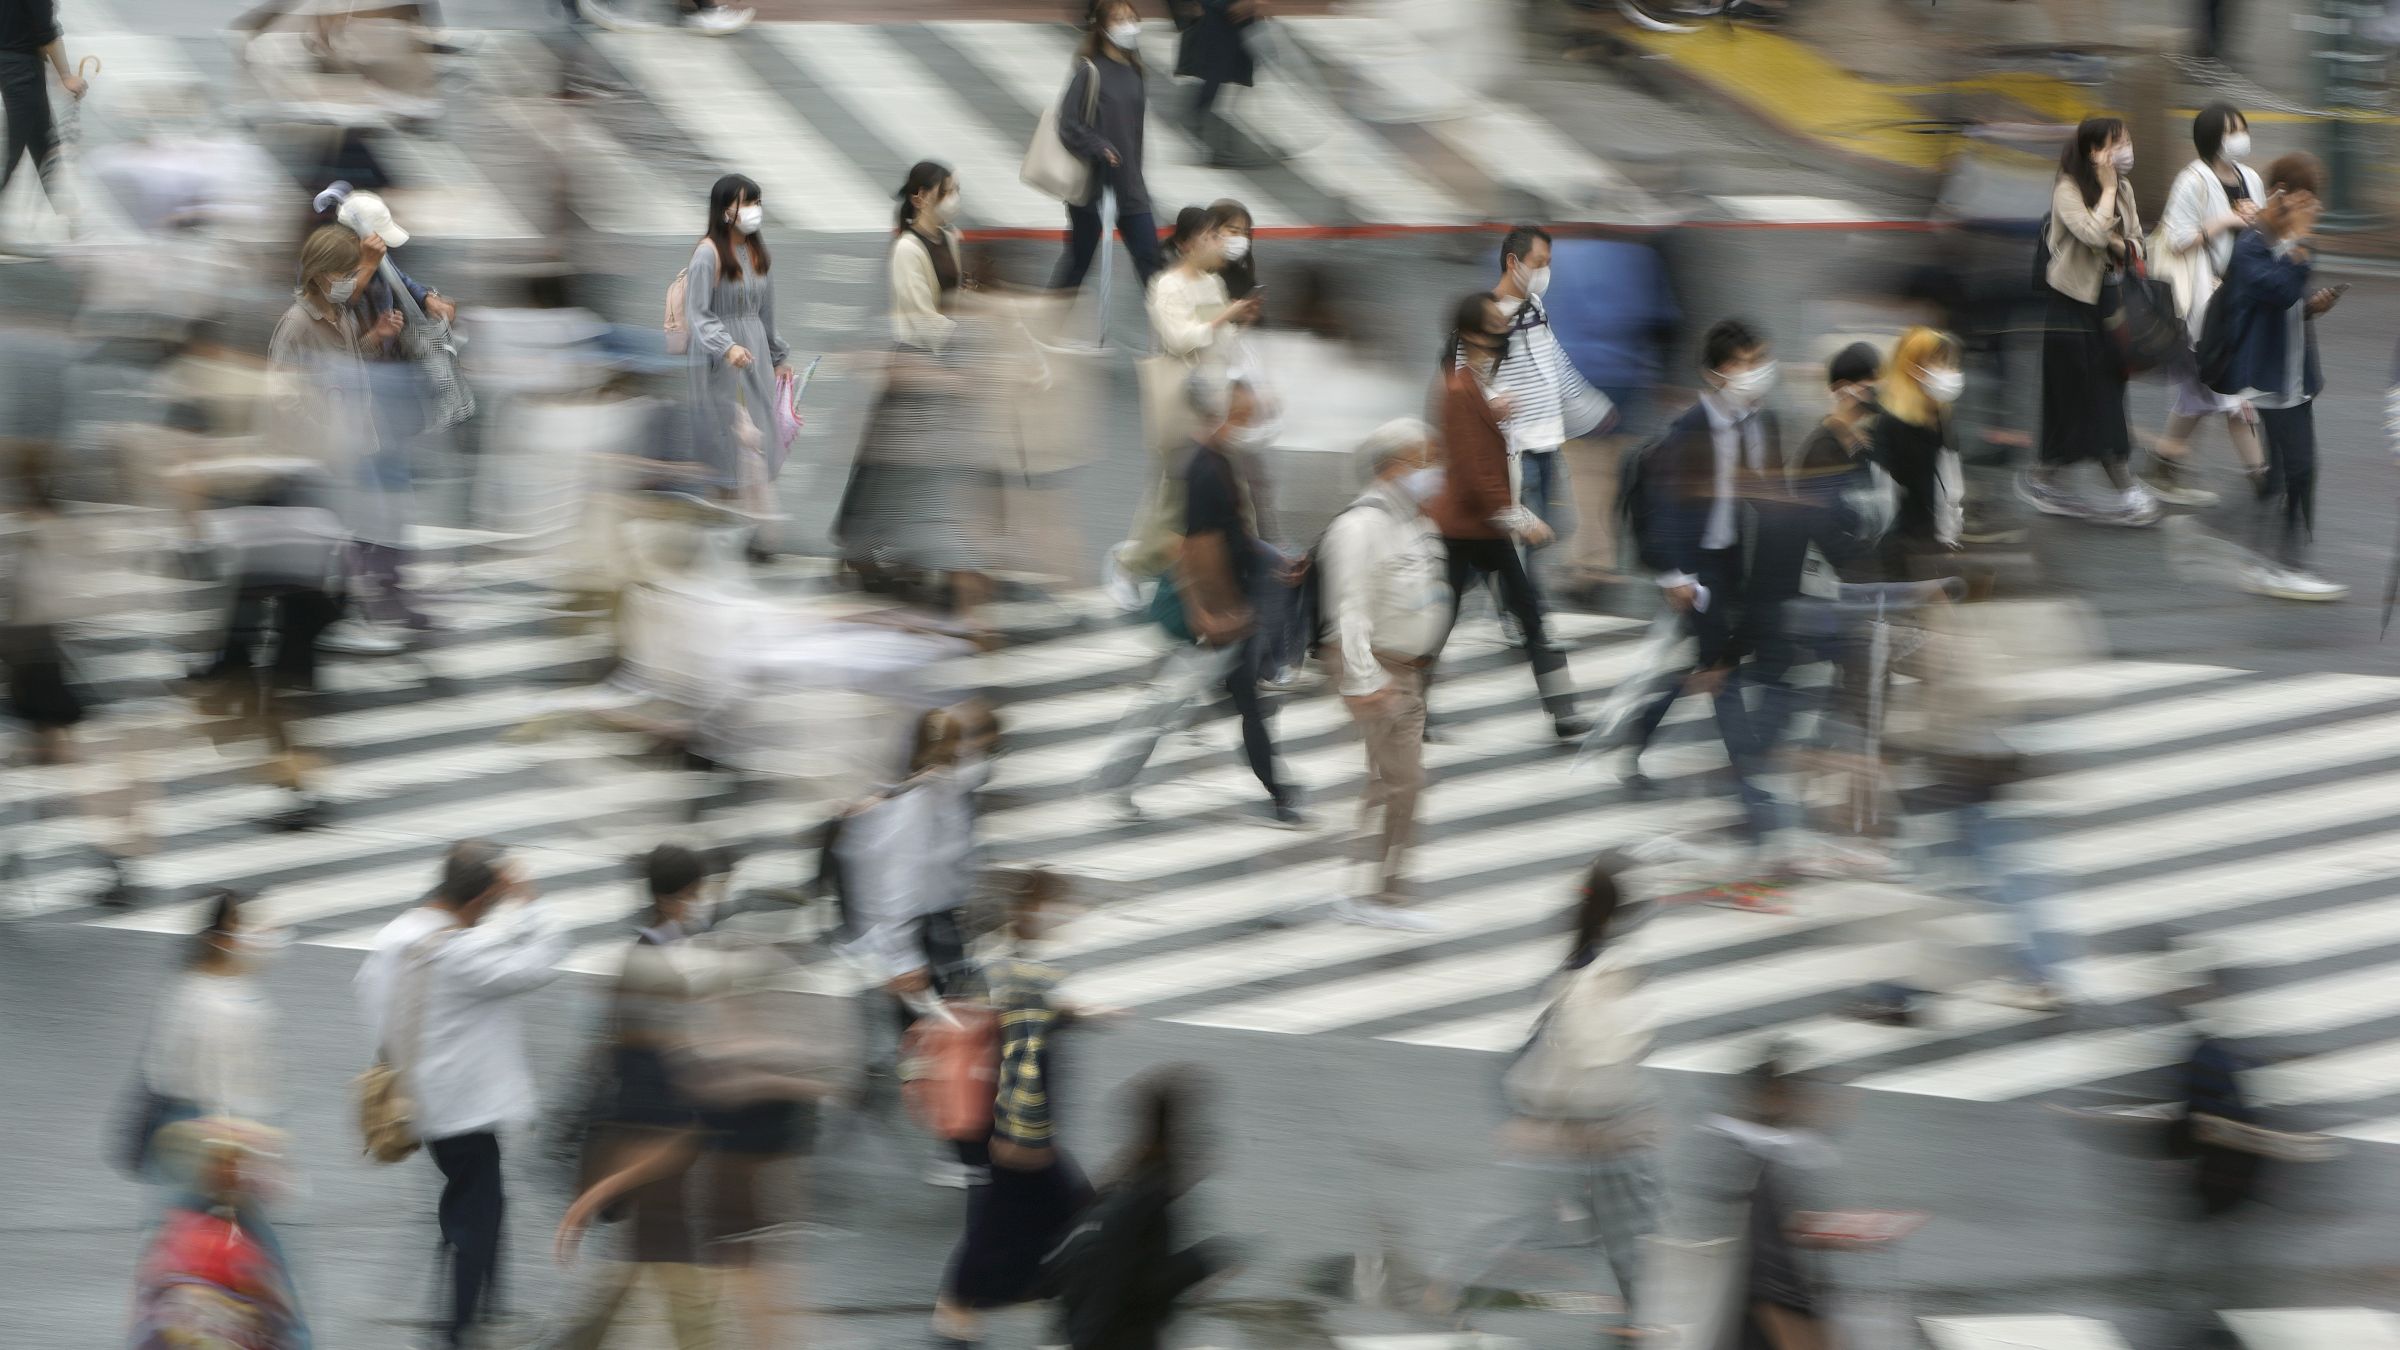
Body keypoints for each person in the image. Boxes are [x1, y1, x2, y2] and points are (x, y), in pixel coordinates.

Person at [1431, 855, 1664, 1343]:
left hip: (1572, 1123)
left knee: (1575, 1223)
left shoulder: (1582, 961)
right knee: (1613, 1225)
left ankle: (1455, 1290)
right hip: (1590, 1127)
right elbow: (1601, 1047)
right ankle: (1633, 1316)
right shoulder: (1607, 971)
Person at [355, 840, 567, 1350]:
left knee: (479, 1208)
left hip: (421, 1102)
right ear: (480, 900)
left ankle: (486, 1312)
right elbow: (540, 961)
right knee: (473, 1215)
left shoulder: (399, 935)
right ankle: (459, 1330)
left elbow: (370, 995)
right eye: (493, 900)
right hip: (463, 1112)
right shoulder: (462, 953)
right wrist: (531, 901)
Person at [1093, 373, 1305, 827]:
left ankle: (1277, 791)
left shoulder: (1220, 459)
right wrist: (1212, 615)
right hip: (1214, 617)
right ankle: (1113, 778)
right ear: (1222, 412)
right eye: (1247, 412)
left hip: (1230, 612)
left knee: (1242, 705)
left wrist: (1271, 558)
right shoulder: (1204, 467)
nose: (1254, 419)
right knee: (1168, 704)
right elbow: (1190, 548)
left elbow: (1233, 535)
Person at [545, 845, 725, 1350]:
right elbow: (646, 1059)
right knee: (667, 1252)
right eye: (697, 893)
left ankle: (581, 1340)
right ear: (678, 898)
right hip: (657, 1128)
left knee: (649, 1252)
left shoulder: (658, 951)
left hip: (654, 1127)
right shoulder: (650, 963)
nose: (701, 902)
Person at [931, 869, 1097, 1350]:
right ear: (1032, 909)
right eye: (1059, 903)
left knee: (1020, 1215)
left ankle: (964, 1317)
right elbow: (1018, 1050)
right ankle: (962, 1315)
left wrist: (1069, 1015)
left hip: (997, 1125)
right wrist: (1019, 1134)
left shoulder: (1005, 962)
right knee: (1058, 1213)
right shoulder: (1014, 969)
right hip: (1011, 1128)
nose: (1067, 914)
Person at [835, 161, 1000, 623]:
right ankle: (863, 551)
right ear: (920, 197)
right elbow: (918, 318)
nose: (954, 198)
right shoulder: (907, 249)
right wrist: (966, 344)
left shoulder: (951, 239)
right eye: (947, 191)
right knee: (893, 469)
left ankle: (904, 552)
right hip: (918, 366)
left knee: (919, 469)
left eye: (956, 190)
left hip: (944, 363)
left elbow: (958, 299)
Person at [1428, 292, 1590, 741]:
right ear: (1473, 334)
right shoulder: (1459, 389)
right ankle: (1410, 706)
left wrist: (1494, 413)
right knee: (1440, 626)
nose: (1504, 330)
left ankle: (1563, 714)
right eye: (1495, 324)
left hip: (1486, 530)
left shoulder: (1474, 384)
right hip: (1467, 530)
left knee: (1530, 619)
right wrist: (1519, 518)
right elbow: (1472, 469)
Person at [1318, 419, 1451, 929]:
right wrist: (1363, 680)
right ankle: (1373, 892)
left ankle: (1374, 888)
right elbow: (1349, 610)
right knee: (1402, 781)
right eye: (1425, 460)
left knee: (1397, 782)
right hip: (1379, 670)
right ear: (1394, 466)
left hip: (1411, 672)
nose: (1434, 471)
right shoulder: (1359, 527)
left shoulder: (1417, 523)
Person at [268, 224, 407, 659]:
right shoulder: (296, 323)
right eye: (347, 271)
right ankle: (313, 626)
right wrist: (320, 427)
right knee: (323, 542)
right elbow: (282, 390)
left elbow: (348, 363)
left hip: (346, 444)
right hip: (314, 451)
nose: (353, 281)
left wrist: (376, 337)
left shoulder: (339, 314)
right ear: (326, 273)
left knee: (347, 536)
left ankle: (331, 617)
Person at [2214, 153, 2348, 601]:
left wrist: (2314, 305)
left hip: (2296, 376)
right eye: (2309, 198)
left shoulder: (2288, 240)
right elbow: (2280, 288)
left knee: (2281, 476)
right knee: (2301, 468)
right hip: (2270, 380)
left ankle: (2256, 554)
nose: (2316, 209)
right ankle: (2283, 565)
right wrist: (2301, 241)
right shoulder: (2251, 244)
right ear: (2283, 195)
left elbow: (2291, 300)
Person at [2021, 116, 2160, 526]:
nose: (2125, 151)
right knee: (2083, 395)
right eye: (2116, 144)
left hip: (2109, 303)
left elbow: (2137, 242)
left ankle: (2046, 477)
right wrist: (2109, 191)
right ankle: (2123, 488)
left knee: (2104, 392)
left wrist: (2121, 238)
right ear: (2093, 151)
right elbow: (2092, 236)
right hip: (2070, 306)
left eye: (2127, 141)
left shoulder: (2126, 189)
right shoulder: (2068, 187)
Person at [1050, 1069, 1241, 1350]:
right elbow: (1145, 1285)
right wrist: (1203, 1261)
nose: (1207, 1157)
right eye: (1198, 1140)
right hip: (1117, 1336)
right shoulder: (1150, 1200)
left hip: (1089, 1326)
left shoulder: (1118, 1184)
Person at [1485, 226, 1616, 636]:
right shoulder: (1488, 316)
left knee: (1543, 532)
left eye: (1548, 263)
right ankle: (1521, 609)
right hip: (1513, 447)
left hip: (1545, 439)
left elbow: (1553, 362)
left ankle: (1522, 604)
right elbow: (1462, 371)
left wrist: (1588, 406)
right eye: (1540, 263)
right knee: (1523, 530)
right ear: (1513, 262)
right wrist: (1490, 403)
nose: (1545, 271)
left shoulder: (1535, 307)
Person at [2147, 103, 2267, 506]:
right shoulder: (2192, 180)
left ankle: (2163, 462)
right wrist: (2228, 221)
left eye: (2242, 127)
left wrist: (2262, 219)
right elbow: (2179, 239)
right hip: (2204, 299)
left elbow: (2265, 234)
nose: (2240, 136)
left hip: (2240, 300)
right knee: (2233, 396)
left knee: (2199, 395)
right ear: (2212, 136)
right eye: (2232, 129)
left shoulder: (2250, 177)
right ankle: (2261, 477)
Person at [684, 174, 794, 540]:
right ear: (724, 209)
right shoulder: (707, 254)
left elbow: (767, 312)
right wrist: (725, 346)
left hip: (755, 356)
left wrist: (778, 356)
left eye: (756, 202)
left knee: (759, 437)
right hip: (721, 362)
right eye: (745, 203)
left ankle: (749, 527)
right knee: (728, 439)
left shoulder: (756, 252)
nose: (753, 211)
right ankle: (726, 525)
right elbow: (698, 313)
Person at [1051, 0, 1162, 292]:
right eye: (1118, 19)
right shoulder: (1090, 71)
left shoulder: (1135, 71)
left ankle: (1173, 329)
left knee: (1151, 259)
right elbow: (1069, 123)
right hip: (1093, 187)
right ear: (1101, 27)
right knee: (1078, 262)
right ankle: (1047, 324)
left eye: (1130, 17)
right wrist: (1098, 146)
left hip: (1130, 185)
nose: (1127, 25)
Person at [1867, 326, 1966, 577]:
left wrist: (1948, 534)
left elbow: (1948, 480)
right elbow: (1883, 495)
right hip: (1901, 548)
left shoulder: (1939, 416)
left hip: (1930, 539)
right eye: (1941, 363)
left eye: (1951, 364)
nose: (1950, 372)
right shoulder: (1890, 423)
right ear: (1913, 367)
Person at [0, 0, 88, 217]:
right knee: (14, 150)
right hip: (21, 69)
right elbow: (46, 32)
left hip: (18, 66)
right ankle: (71, 220)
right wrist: (66, 76)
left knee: (45, 144)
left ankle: (70, 219)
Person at [1172, 0, 1261, 165]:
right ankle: (1209, 132)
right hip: (1224, 8)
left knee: (1228, 65)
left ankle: (1207, 127)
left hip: (1225, 9)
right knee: (1220, 65)